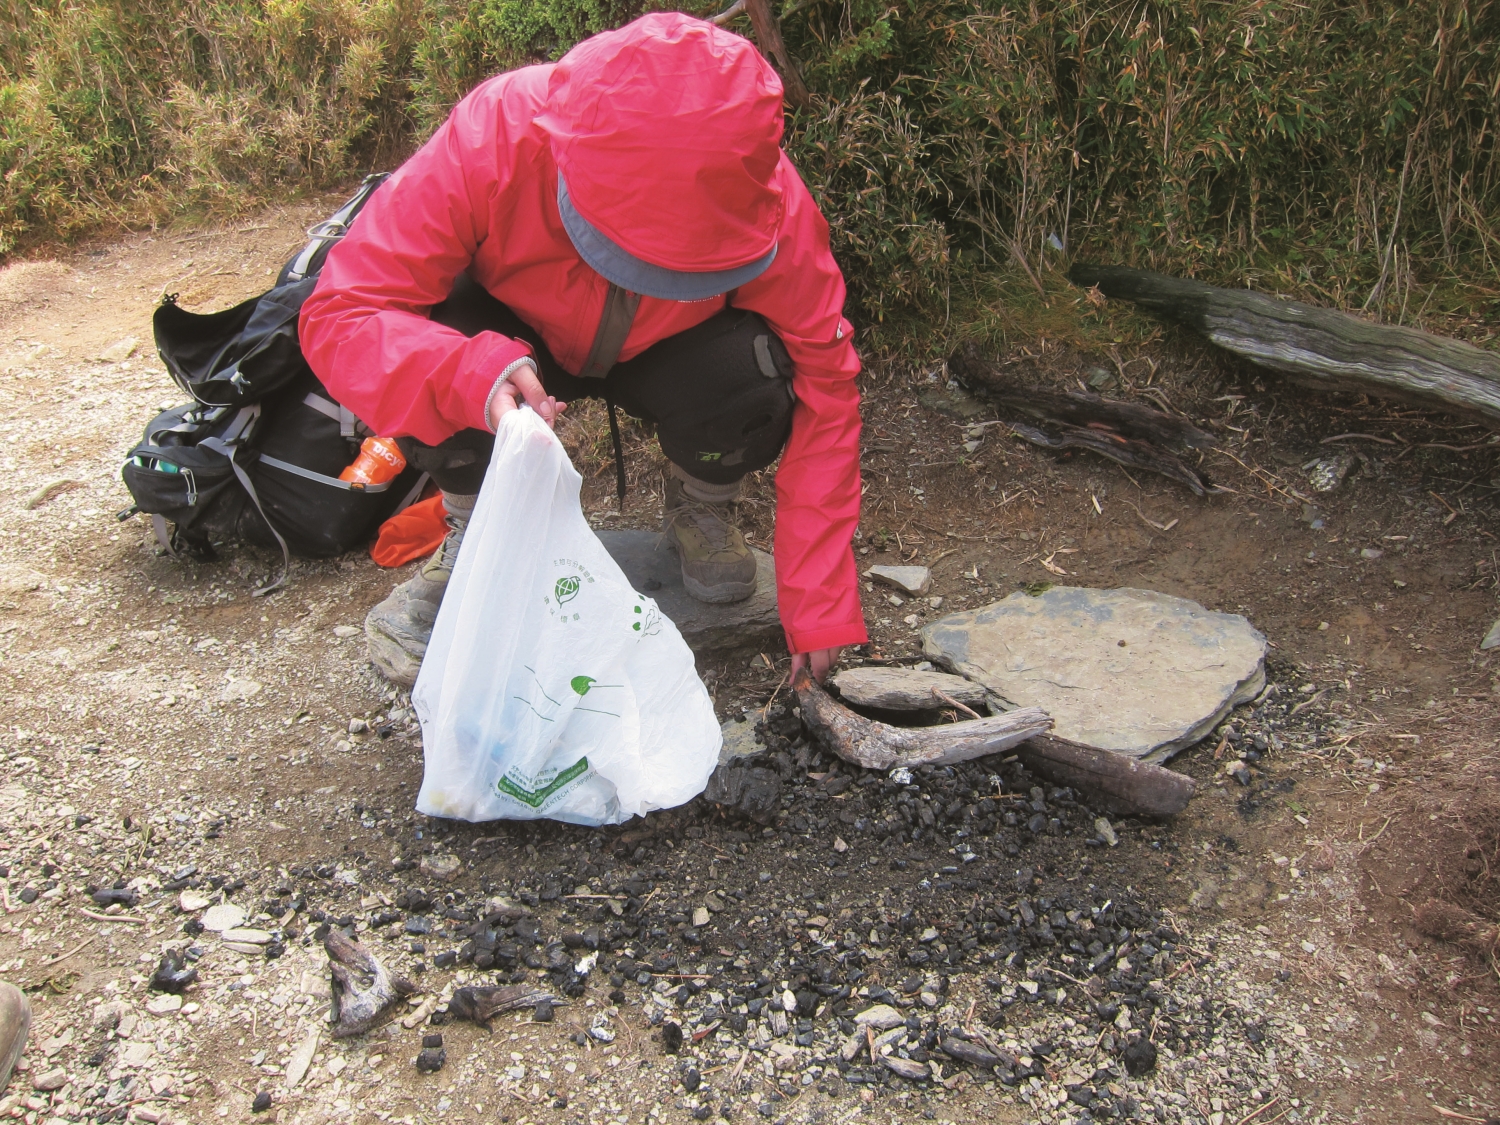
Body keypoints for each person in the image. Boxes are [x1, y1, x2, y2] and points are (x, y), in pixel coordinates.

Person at [300, 12, 866, 686]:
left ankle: (703, 505)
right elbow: (343, 312)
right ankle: (474, 521)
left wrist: (819, 602)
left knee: (759, 370)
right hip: (511, 341)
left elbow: (828, 385)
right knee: (432, 325)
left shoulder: (765, 197)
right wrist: (464, 371)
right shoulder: (497, 134)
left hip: (668, 352)